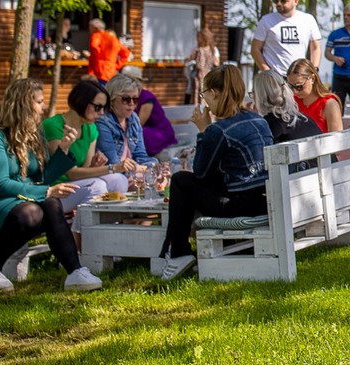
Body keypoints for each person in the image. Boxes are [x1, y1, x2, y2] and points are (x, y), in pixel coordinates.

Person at [0, 78, 102, 292]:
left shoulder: (31, 135)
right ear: (22, 104)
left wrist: (64, 148)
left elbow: (41, 178)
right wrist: (47, 190)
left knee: (50, 204)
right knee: (33, 211)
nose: (43, 107)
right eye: (39, 102)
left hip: (16, 202)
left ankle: (75, 272)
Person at [157, 65, 275, 280]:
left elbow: (200, 173)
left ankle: (178, 252)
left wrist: (203, 131)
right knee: (190, 184)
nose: (205, 101)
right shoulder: (259, 120)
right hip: (264, 200)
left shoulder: (218, 130)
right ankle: (177, 249)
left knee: (181, 180)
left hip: (240, 206)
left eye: (204, 95)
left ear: (214, 93)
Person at [41, 77, 122, 212]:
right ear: (81, 102)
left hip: (75, 185)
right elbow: (71, 173)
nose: (101, 113)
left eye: (104, 108)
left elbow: (84, 169)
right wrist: (113, 168)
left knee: (119, 180)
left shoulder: (90, 128)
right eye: (97, 107)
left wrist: (94, 166)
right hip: (55, 189)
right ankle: (82, 225)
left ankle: (110, 222)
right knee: (97, 186)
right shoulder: (53, 126)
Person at [95, 73, 158, 179]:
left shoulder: (134, 118)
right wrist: (142, 170)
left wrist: (149, 167)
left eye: (135, 99)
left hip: (133, 172)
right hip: (112, 175)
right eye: (126, 99)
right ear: (112, 100)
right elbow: (113, 163)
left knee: (156, 163)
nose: (131, 103)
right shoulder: (103, 122)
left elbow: (141, 155)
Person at [252, 0, 322, 76]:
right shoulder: (266, 20)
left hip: (299, 77)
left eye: (283, 1)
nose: (279, 4)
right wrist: (267, 71)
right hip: (274, 77)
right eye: (276, 1)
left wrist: (314, 70)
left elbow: (316, 48)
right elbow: (255, 49)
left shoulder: (308, 19)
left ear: (296, 1)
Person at [252, 71, 323, 152]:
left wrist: (254, 120)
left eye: (253, 93)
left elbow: (258, 155)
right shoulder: (305, 119)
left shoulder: (268, 125)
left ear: (260, 97)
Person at [127, 68, 177, 158]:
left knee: (137, 133)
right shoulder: (127, 97)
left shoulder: (146, 97)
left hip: (160, 133)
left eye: (134, 82)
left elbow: (139, 123)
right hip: (146, 132)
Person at [286, 57, 343, 133]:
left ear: (312, 79)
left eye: (299, 86)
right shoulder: (292, 102)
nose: (295, 91)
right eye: (291, 87)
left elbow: (337, 138)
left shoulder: (330, 104)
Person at [87, 17, 129, 84]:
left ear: (95, 28)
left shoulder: (96, 35)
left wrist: (97, 59)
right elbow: (126, 53)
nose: (89, 30)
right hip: (111, 71)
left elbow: (94, 46)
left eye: (90, 27)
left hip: (98, 71)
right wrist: (117, 65)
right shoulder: (113, 39)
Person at [185, 28, 219, 103]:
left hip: (200, 76)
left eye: (199, 37)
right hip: (209, 76)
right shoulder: (212, 50)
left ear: (204, 38)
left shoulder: (199, 50)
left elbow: (198, 65)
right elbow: (216, 63)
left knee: (198, 94)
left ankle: (198, 108)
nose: (197, 39)